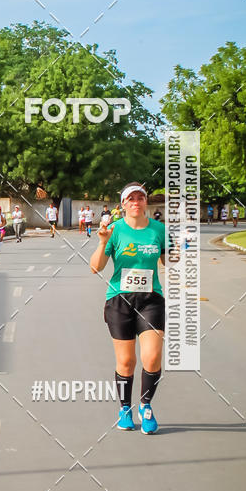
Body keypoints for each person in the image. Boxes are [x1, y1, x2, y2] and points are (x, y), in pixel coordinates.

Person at [89, 182, 167, 435]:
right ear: (123, 205)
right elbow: (95, 267)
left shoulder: (159, 229)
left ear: (146, 202)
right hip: (120, 300)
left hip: (151, 299)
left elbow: (170, 261)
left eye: (140, 198)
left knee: (152, 357)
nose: (136, 202)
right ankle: (124, 408)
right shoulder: (113, 229)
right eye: (130, 199)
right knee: (126, 361)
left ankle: (145, 406)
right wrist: (102, 242)